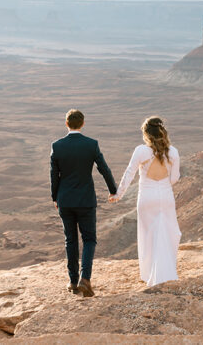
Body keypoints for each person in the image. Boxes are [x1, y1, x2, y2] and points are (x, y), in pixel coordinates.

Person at [50, 108, 118, 297]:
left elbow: (54, 175)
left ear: (66, 123)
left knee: (70, 239)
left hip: (65, 200)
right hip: (86, 200)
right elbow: (104, 169)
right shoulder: (91, 144)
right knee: (89, 239)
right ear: (82, 123)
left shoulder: (57, 146)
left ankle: (72, 282)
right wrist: (113, 190)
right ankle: (85, 279)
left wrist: (55, 197)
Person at [109, 116, 181, 286]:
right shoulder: (173, 152)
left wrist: (118, 194)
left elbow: (129, 174)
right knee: (168, 233)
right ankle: (167, 272)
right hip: (166, 197)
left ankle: (150, 274)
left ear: (146, 134)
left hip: (147, 197)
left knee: (148, 235)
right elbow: (175, 178)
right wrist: (163, 183)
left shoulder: (141, 151)